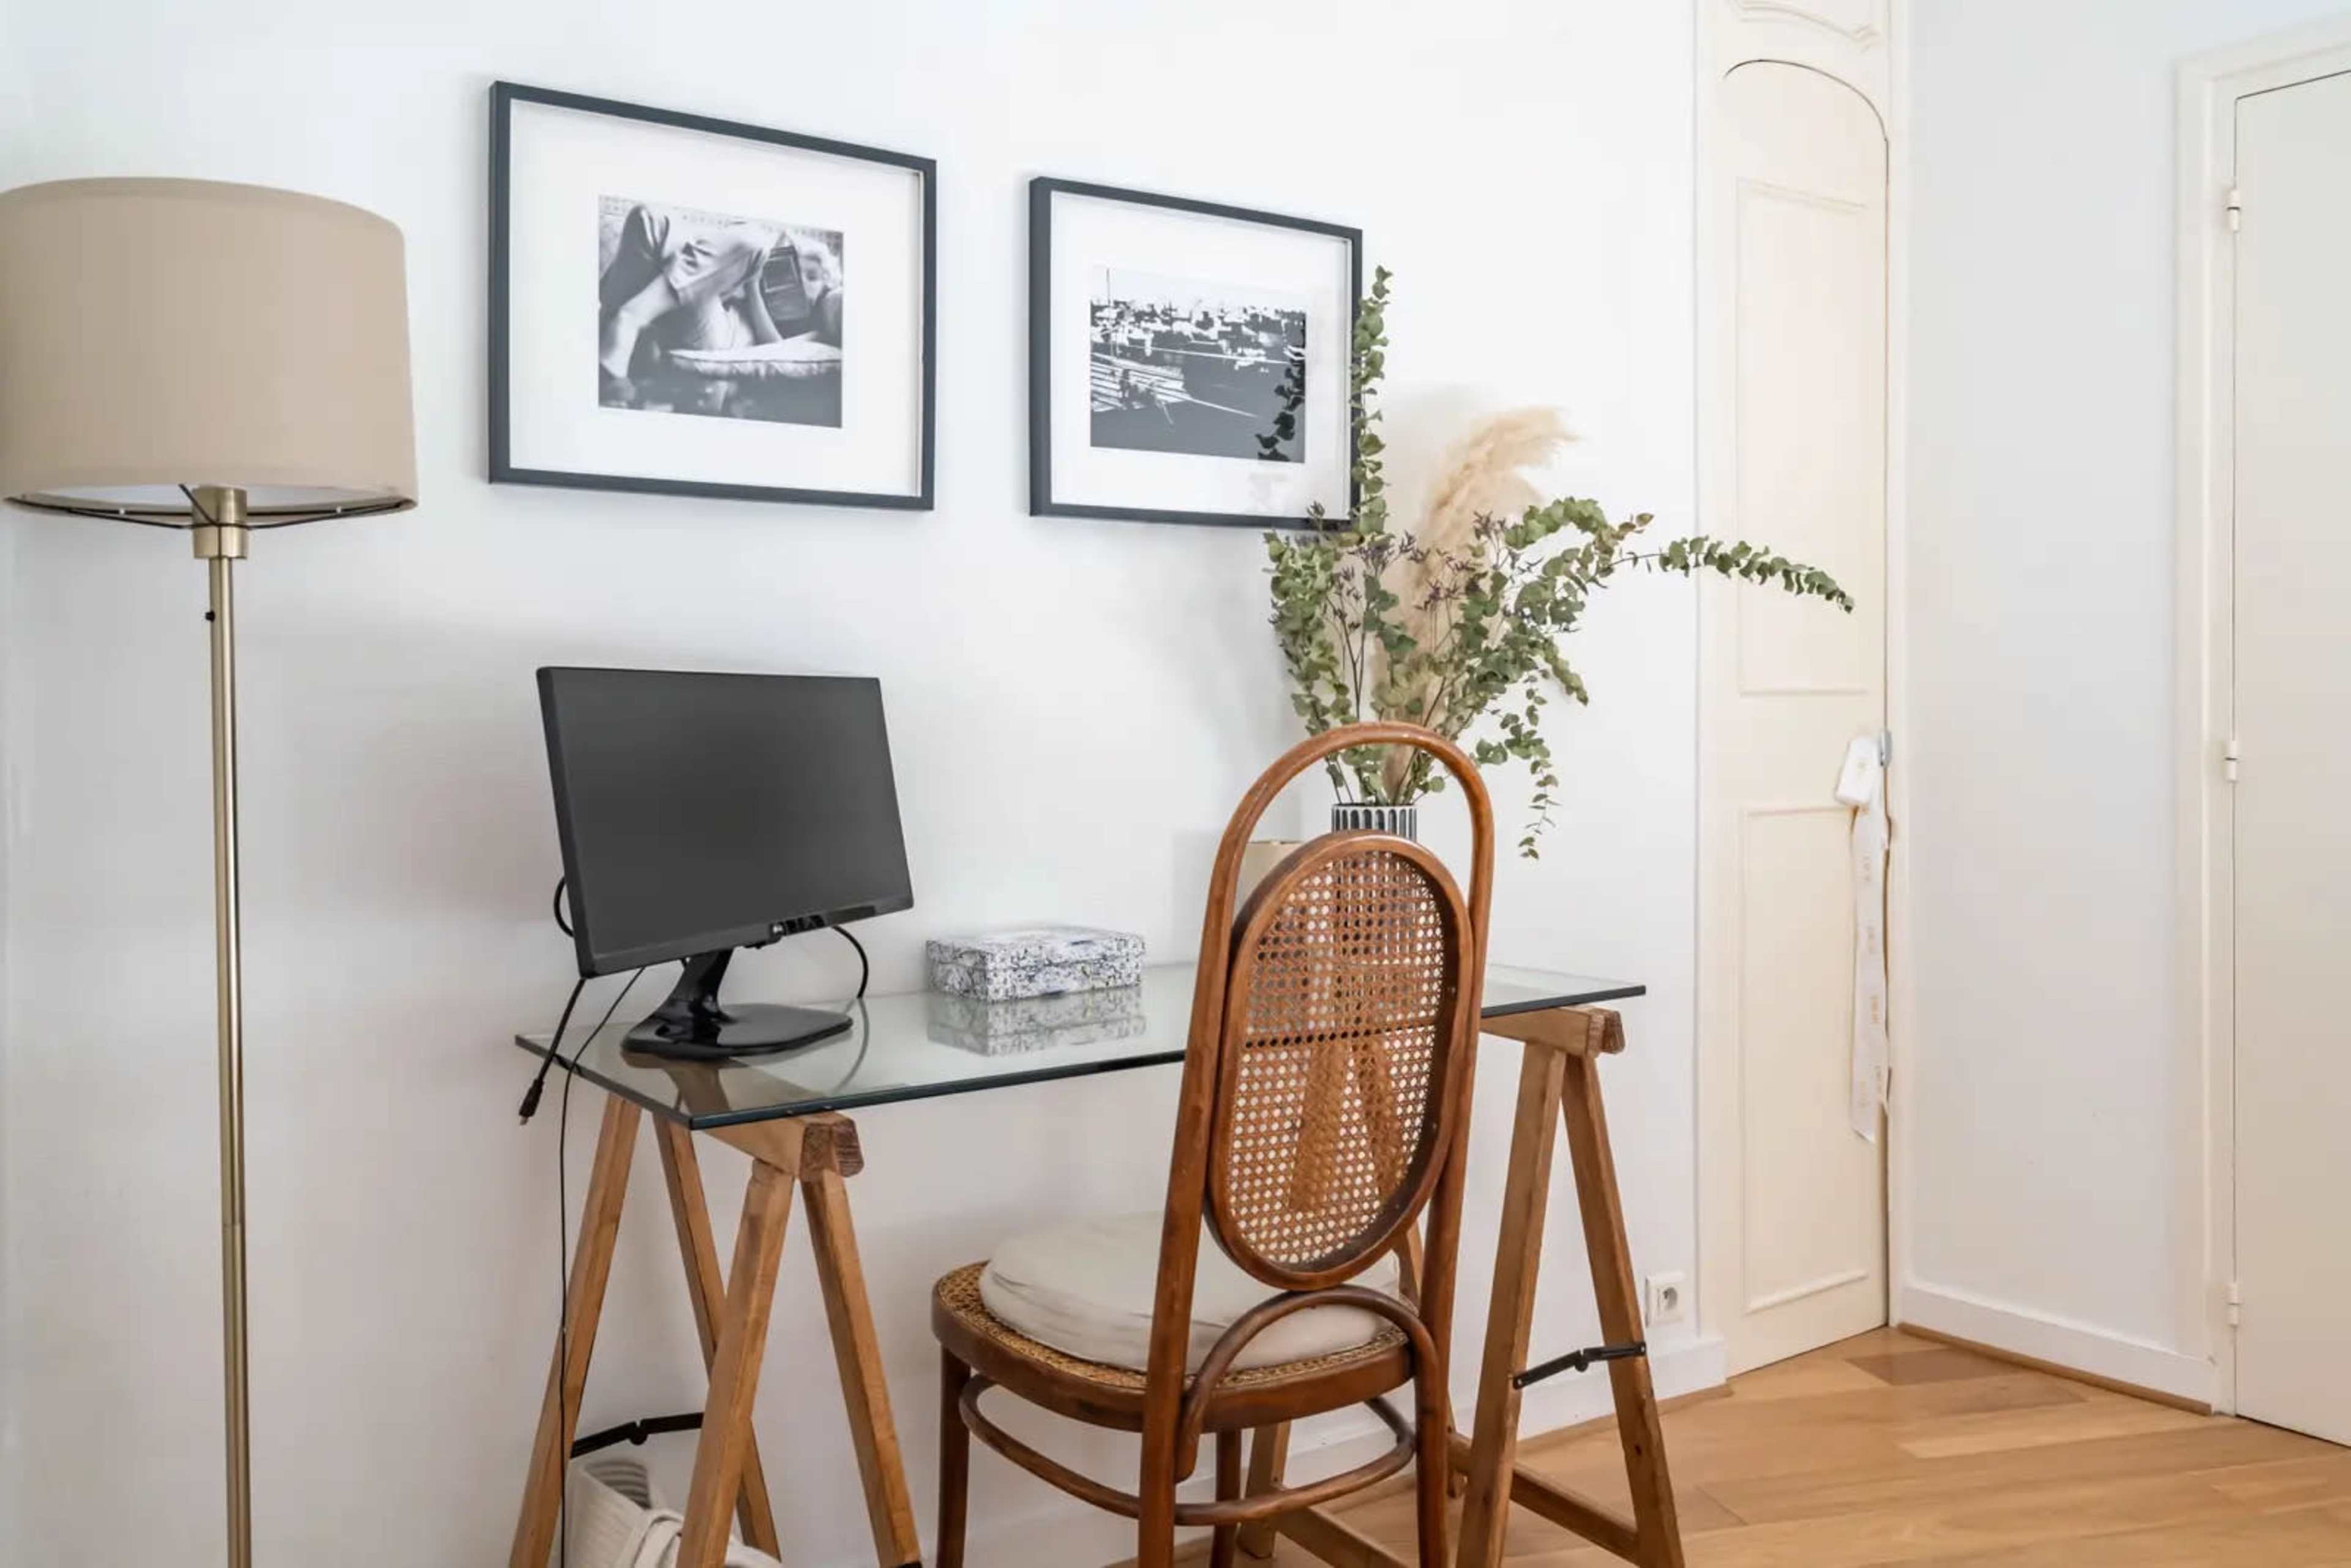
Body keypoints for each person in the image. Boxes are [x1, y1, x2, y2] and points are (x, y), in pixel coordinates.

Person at [598, 204, 841, 410]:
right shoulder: (736, 287)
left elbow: (775, 351)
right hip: (681, 312)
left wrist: (754, 288)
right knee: (649, 219)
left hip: (720, 339)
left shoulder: (819, 323)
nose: (800, 283)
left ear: (827, 284)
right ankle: (619, 348)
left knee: (754, 243)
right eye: (793, 272)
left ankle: (626, 321)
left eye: (812, 276)